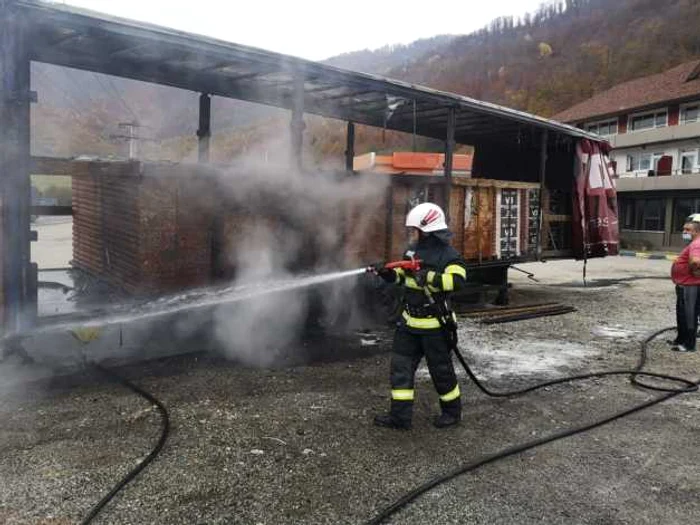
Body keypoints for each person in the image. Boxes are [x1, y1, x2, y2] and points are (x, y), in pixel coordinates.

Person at [369, 202, 467, 429]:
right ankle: (400, 418)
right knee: (400, 371)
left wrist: (430, 277)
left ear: (429, 229)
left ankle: (452, 413)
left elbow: (458, 281)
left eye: (417, 230)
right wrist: (387, 274)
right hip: (409, 326)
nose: (414, 234)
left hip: (436, 327)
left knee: (441, 373)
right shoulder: (412, 251)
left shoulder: (449, 255)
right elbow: (404, 279)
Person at [670, 220, 700, 352]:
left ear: (696, 232)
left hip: (691, 285)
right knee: (683, 313)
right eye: (683, 229)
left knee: (690, 314)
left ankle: (689, 344)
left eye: (688, 230)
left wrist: (693, 270)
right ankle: (681, 339)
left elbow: (695, 261)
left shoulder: (696, 244)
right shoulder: (693, 244)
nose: (684, 232)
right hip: (685, 284)